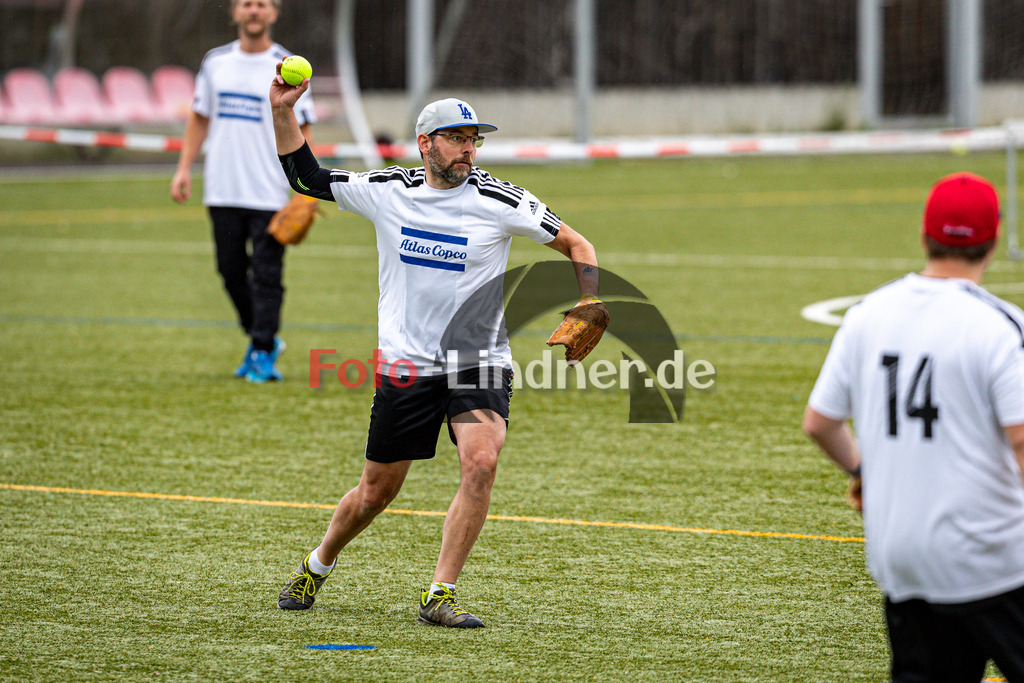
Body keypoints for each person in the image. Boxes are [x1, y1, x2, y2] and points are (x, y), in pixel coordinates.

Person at [269, 74, 605, 627]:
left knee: (481, 460)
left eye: (475, 138)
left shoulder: (502, 199)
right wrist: (285, 112)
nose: (469, 148)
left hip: (478, 360)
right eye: (457, 137)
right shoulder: (388, 190)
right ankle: (318, 562)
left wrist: (589, 301)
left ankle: (440, 594)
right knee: (375, 494)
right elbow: (307, 179)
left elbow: (577, 242)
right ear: (425, 143)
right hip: (406, 365)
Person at [803, 172, 1024, 681]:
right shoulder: (1000, 325)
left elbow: (820, 422)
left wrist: (863, 471)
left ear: (924, 235)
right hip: (993, 559)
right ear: (994, 239)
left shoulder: (868, 314)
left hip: (903, 558)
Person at [170, 0, 316, 383]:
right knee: (231, 271)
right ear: (235, 11)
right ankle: (261, 338)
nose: (254, 10)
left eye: (262, 4)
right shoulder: (215, 62)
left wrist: (304, 189)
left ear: (274, 12)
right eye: (247, 4)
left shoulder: (288, 65)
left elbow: (305, 127)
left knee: (267, 276)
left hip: (269, 189)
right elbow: (199, 117)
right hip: (222, 187)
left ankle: (264, 351)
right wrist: (184, 168)